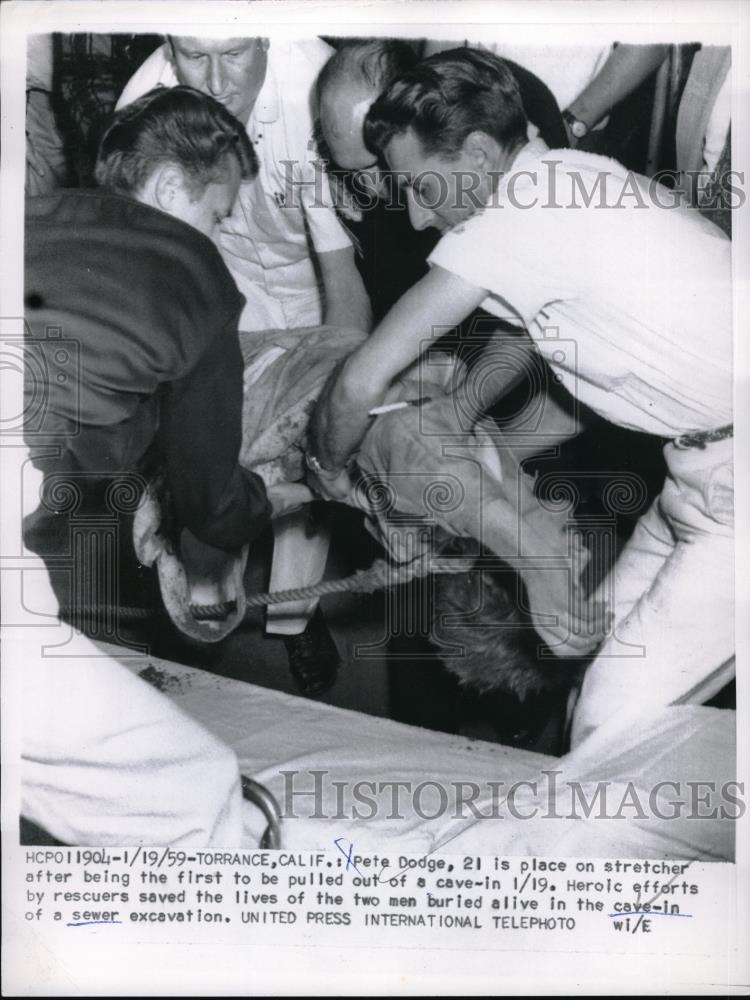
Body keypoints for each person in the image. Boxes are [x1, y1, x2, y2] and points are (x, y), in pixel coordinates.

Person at [307, 48, 733, 742]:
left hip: (733, 488)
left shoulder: (516, 223)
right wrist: (458, 412)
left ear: (476, 155)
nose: (415, 217)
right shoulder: (568, 180)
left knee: (608, 727)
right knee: (587, 646)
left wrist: (326, 468)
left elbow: (358, 383)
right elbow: (549, 336)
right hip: (700, 470)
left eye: (420, 185)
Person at [21, 86, 301, 846]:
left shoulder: (32, 215)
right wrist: (274, 499)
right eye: (219, 212)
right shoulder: (195, 271)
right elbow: (212, 501)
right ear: (174, 186)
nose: (220, 233)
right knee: (198, 788)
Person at [117, 36, 372, 692]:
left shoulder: (316, 90)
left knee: (312, 447)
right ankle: (206, 584)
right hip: (215, 271)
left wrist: (333, 393)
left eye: (233, 55)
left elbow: (341, 271)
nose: (214, 78)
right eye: (193, 56)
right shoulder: (147, 98)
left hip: (308, 275)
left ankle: (296, 615)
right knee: (210, 447)